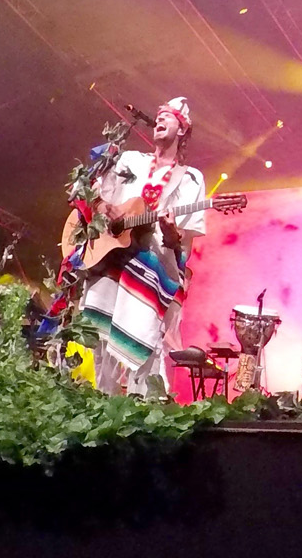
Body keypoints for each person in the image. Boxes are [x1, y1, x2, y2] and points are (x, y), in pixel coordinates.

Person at [66, 98, 208, 396]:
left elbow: (183, 241)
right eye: (159, 115)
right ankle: (102, 407)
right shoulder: (129, 160)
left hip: (150, 271)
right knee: (101, 346)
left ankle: (143, 410)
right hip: (111, 259)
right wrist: (105, 208)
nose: (160, 119)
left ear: (182, 129)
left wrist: (170, 233)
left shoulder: (191, 178)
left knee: (145, 348)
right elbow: (90, 194)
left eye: (168, 117)